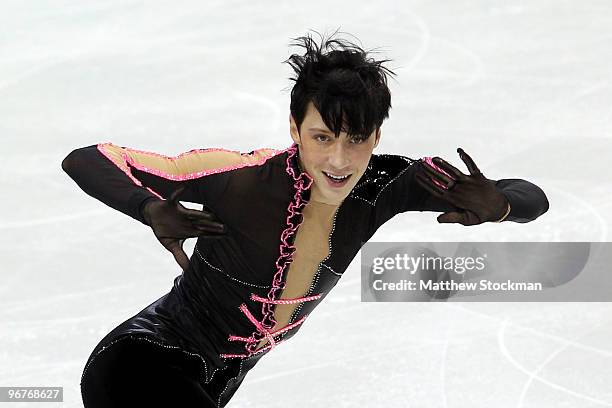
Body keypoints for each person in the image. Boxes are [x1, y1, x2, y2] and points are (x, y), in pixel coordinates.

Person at [62, 30, 549, 408]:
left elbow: (532, 197)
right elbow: (89, 158)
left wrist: (500, 206)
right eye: (321, 137)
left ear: (376, 136)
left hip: (210, 383)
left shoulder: (386, 184)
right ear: (294, 127)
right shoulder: (240, 177)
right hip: (141, 364)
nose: (338, 160)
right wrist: (147, 208)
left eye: (355, 140)